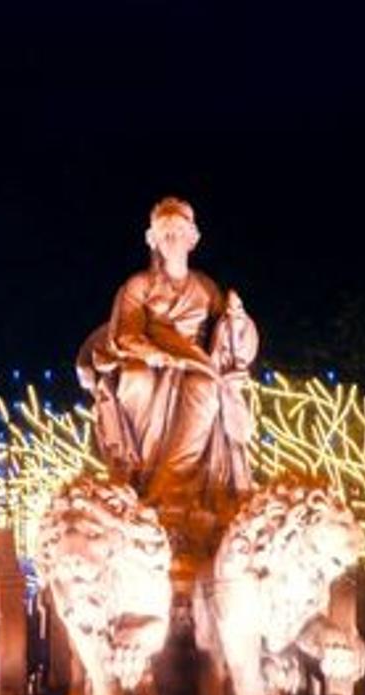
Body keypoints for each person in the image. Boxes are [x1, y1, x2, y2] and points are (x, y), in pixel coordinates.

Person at [77, 197, 258, 529]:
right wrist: (155, 354)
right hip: (150, 361)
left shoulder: (206, 289)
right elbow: (125, 334)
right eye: (165, 232)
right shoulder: (138, 286)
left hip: (195, 366)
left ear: (193, 238)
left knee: (204, 387)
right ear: (153, 240)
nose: (172, 239)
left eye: (179, 231)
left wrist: (237, 318)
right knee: (136, 380)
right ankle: (144, 478)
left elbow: (230, 341)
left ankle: (172, 486)